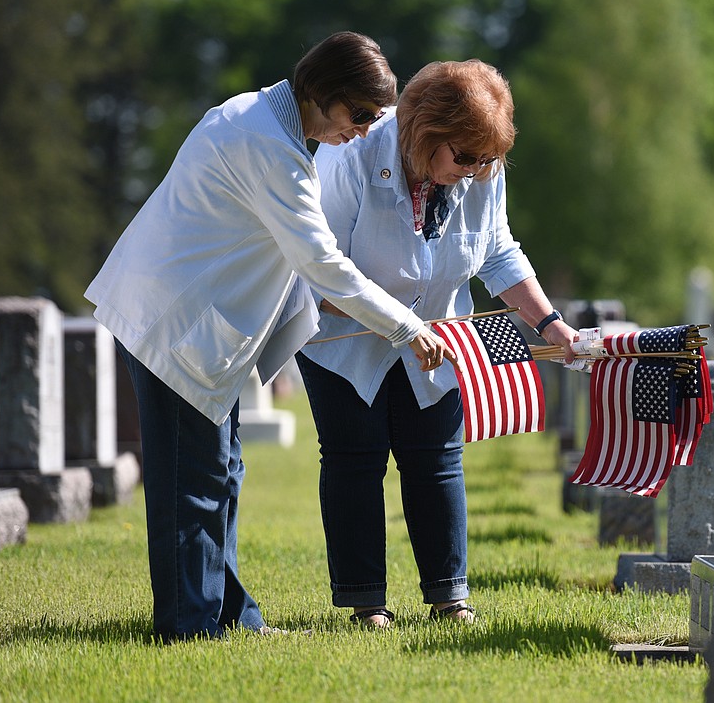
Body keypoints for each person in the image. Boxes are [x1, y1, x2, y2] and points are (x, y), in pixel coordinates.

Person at [85, 32, 458, 641]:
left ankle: (232, 615)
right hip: (174, 321)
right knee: (193, 481)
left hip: (195, 320)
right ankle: (190, 627)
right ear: (322, 93)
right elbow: (322, 263)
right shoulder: (267, 144)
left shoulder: (269, 120)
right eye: (360, 114)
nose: (365, 131)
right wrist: (409, 326)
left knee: (221, 472)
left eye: (375, 118)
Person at [297, 59, 577, 628]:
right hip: (345, 336)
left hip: (443, 337)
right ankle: (364, 602)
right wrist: (397, 321)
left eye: (487, 159)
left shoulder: (483, 169)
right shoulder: (352, 156)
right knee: (356, 459)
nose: (476, 170)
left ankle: (450, 598)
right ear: (423, 134)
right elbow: (322, 269)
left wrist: (551, 324)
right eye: (464, 156)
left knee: (438, 460)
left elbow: (497, 253)